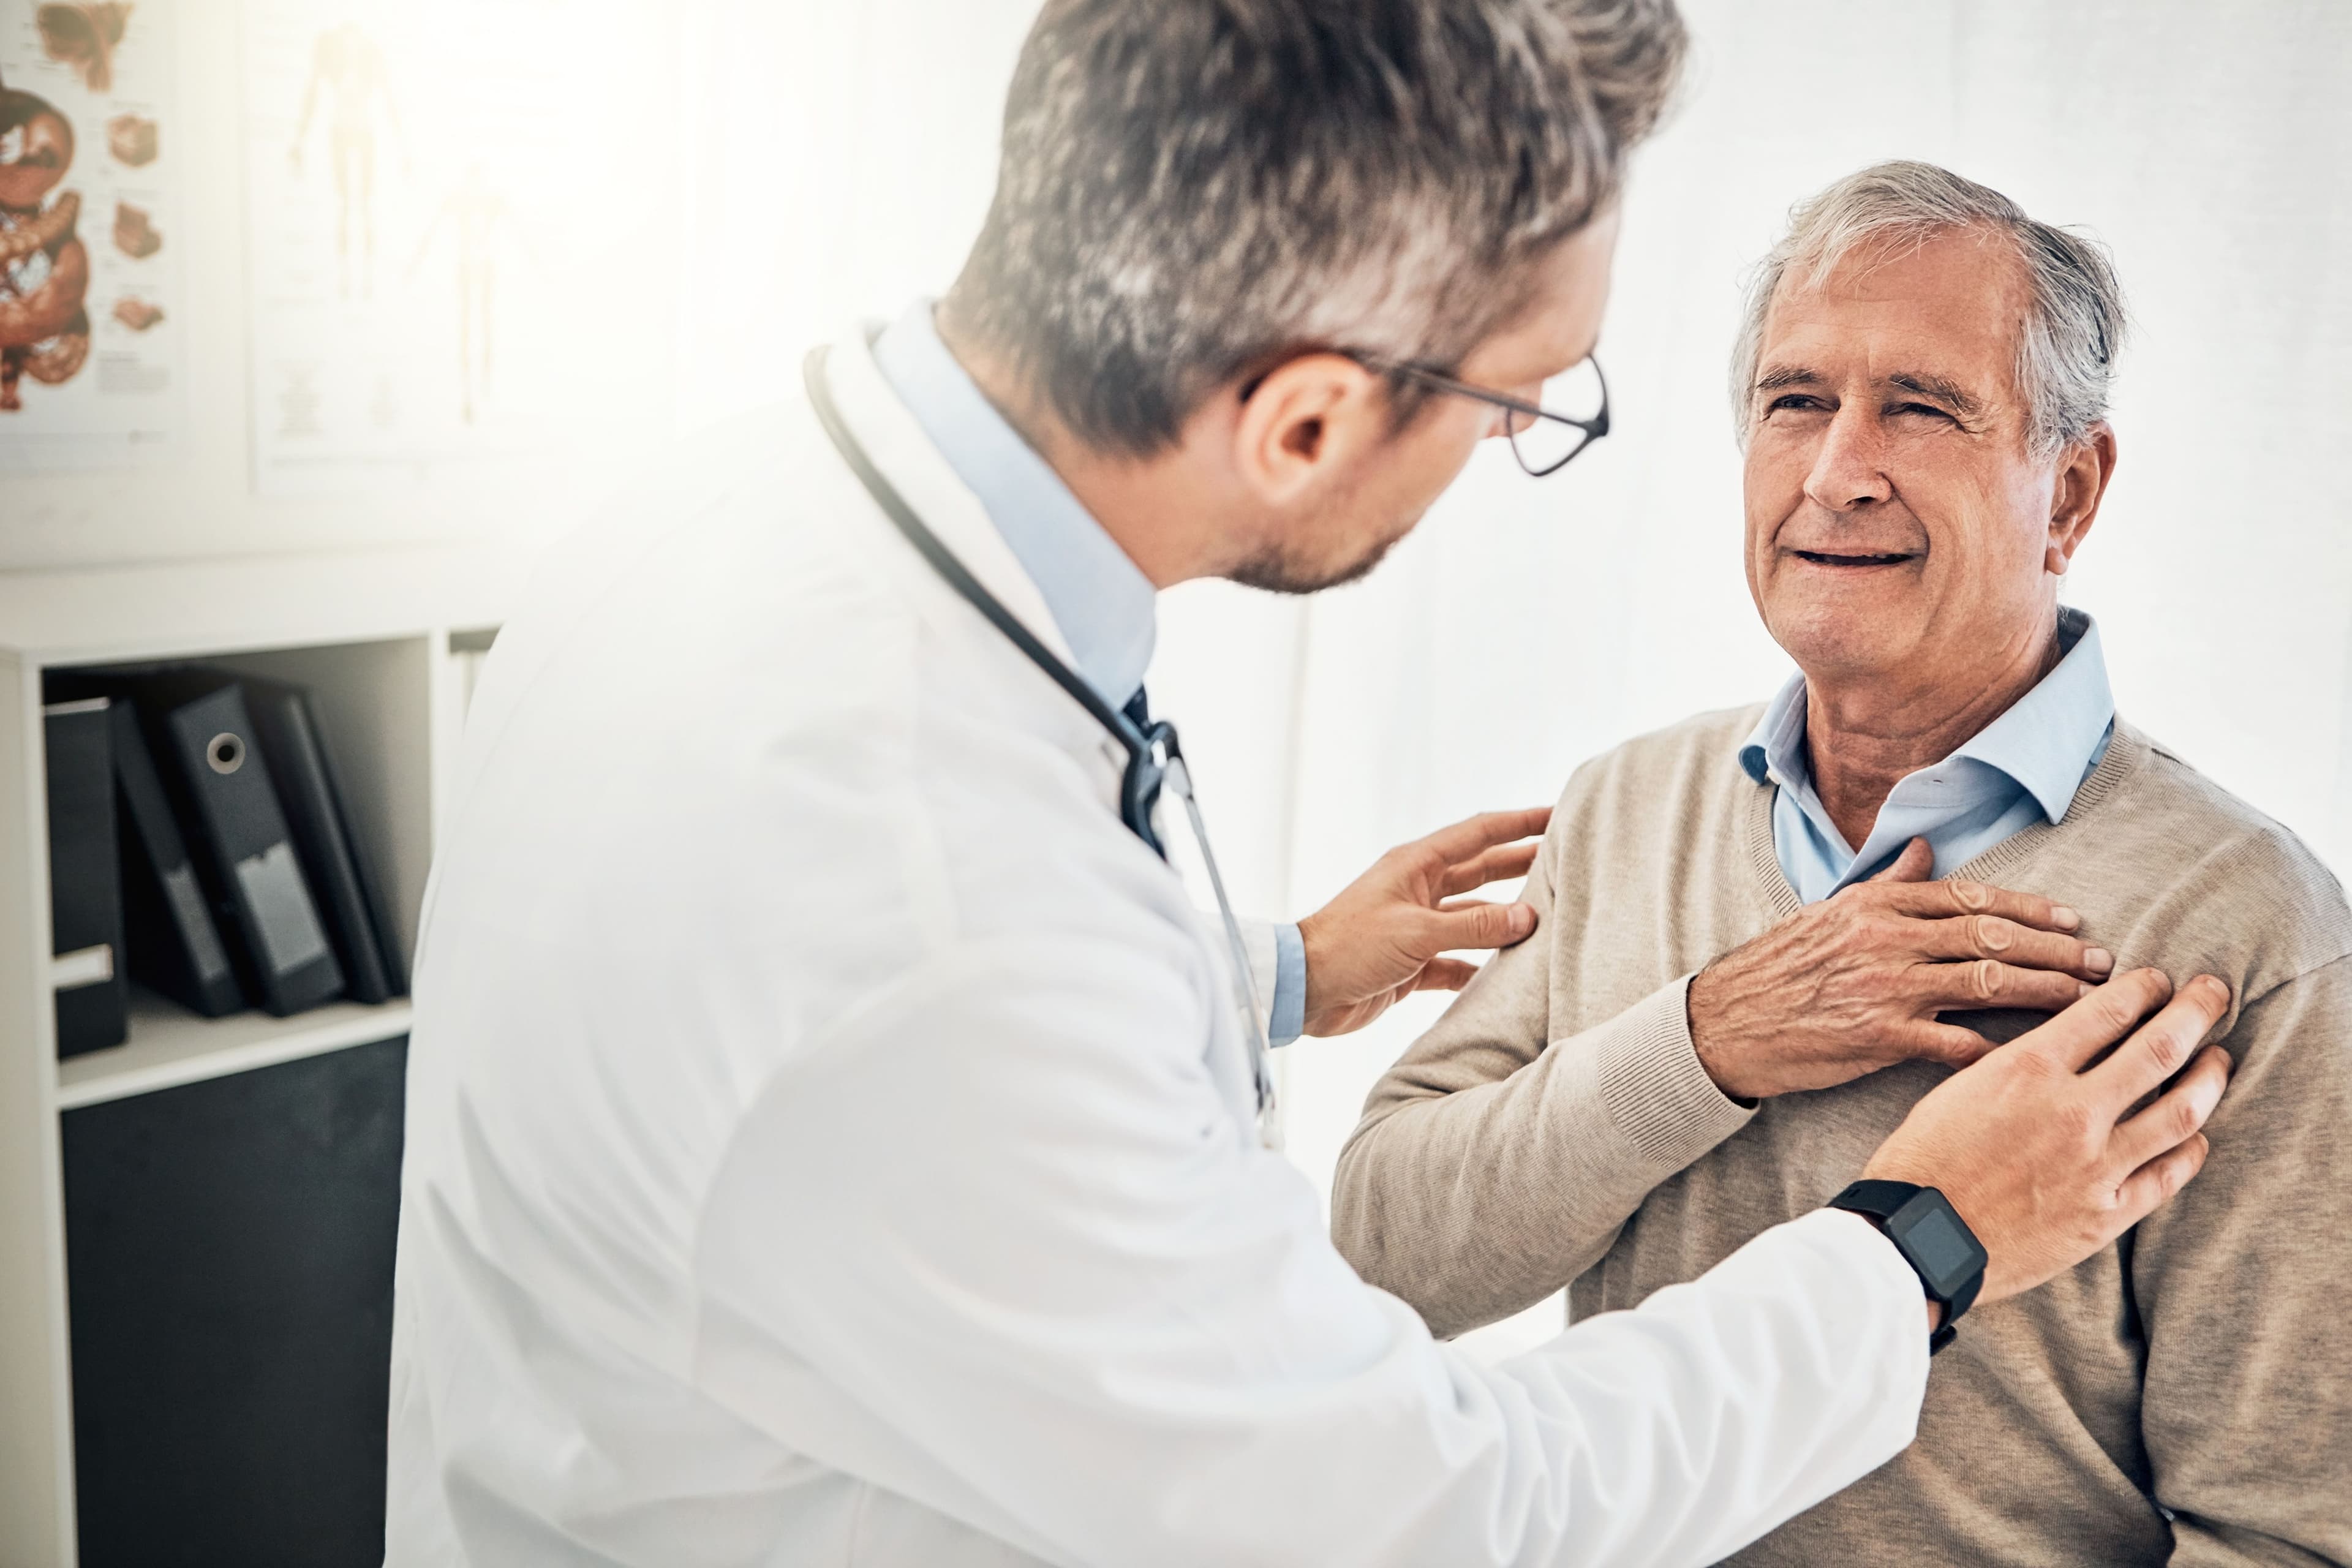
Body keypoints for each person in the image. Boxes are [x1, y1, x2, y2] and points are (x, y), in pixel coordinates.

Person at [385, 12, 2233, 1566]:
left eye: (1920, 409)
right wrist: (1925, 1236)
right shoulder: (938, 915)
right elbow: (1429, 1506)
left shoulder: (721, 521)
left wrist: (1253, 974)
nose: (1831, 474)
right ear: (1304, 420)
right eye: (1522, 396)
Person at [1332, 162, 2352, 1565]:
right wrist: (1705, 1041)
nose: (1835, 468)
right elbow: (1381, 1259)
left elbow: (2289, 1527)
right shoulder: (1629, 805)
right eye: (1794, 400)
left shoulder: (2246, 920)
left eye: (1920, 407)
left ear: (2070, 489)